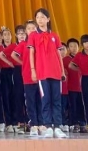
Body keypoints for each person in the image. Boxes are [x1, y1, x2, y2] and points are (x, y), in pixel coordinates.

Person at [29, 8, 66, 139]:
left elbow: (59, 54)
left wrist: (62, 71)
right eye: (38, 17)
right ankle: (48, 126)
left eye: (43, 17)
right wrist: (33, 70)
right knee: (45, 100)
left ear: (48, 19)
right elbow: (31, 53)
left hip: (56, 72)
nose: (40, 20)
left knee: (57, 100)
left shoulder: (54, 35)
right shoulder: (33, 35)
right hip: (42, 72)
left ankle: (58, 126)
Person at [12, 20, 41, 136]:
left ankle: (41, 123)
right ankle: (33, 124)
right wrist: (23, 63)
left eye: (33, 28)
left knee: (40, 100)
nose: (31, 30)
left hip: (40, 76)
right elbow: (13, 55)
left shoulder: (39, 42)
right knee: (30, 101)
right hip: (28, 77)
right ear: (26, 31)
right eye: (29, 29)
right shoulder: (23, 44)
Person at [0, 27, 16, 133]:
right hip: (4, 72)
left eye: (9, 34)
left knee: (15, 96)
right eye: (5, 35)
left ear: (12, 36)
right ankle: (8, 122)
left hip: (14, 72)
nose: (7, 37)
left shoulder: (15, 46)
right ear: (2, 37)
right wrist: (6, 63)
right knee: (5, 97)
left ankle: (15, 121)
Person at [11, 25, 28, 133]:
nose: (21, 36)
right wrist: (22, 63)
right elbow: (7, 55)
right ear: (16, 35)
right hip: (18, 71)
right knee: (18, 95)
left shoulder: (29, 44)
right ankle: (20, 121)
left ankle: (30, 120)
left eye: (23, 33)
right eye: (19, 34)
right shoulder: (14, 46)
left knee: (29, 96)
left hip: (29, 71)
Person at [65, 38, 84, 133]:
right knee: (72, 107)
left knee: (82, 106)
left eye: (75, 46)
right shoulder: (65, 60)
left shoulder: (82, 58)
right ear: (68, 48)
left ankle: (83, 124)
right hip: (70, 87)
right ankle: (73, 124)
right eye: (71, 46)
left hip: (82, 87)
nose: (73, 48)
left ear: (79, 47)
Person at [59, 43, 70, 135]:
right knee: (59, 107)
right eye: (60, 49)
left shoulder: (68, 61)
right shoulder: (55, 61)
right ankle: (59, 123)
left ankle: (65, 123)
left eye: (63, 49)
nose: (62, 51)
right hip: (58, 90)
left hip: (67, 89)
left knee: (65, 107)